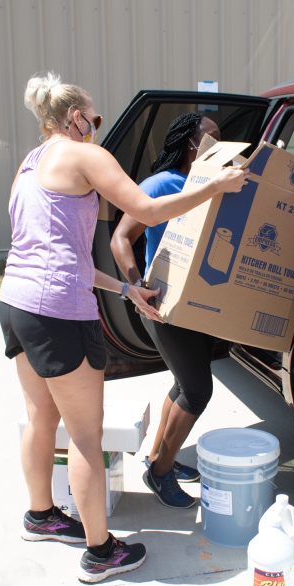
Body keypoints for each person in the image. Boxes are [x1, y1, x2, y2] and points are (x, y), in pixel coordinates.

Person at [3, 74, 249, 583]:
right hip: (56, 311)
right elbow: (148, 209)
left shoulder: (30, 164)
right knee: (86, 439)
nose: (96, 127)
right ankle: (100, 552)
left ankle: (41, 515)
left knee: (39, 418)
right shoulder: (84, 156)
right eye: (93, 119)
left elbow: (57, 252)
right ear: (74, 118)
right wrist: (217, 187)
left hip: (16, 302)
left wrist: (124, 289)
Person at [110, 113, 221, 509]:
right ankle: (160, 474)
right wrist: (136, 285)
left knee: (182, 383)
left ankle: (159, 455)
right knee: (197, 390)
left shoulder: (212, 186)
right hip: (163, 304)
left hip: (200, 302)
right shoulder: (161, 185)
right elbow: (121, 239)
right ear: (188, 143)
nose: (215, 146)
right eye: (208, 139)